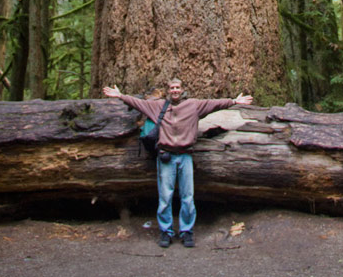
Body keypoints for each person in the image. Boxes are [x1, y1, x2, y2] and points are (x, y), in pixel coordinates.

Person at [103, 78, 253, 248]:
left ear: (182, 90)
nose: (175, 90)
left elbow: (214, 104)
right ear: (168, 90)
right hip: (166, 156)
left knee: (187, 196)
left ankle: (186, 232)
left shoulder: (193, 106)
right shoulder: (158, 106)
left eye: (177, 88)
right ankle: (166, 232)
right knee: (165, 197)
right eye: (172, 88)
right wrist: (120, 95)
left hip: (185, 156)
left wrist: (234, 101)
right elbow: (138, 103)